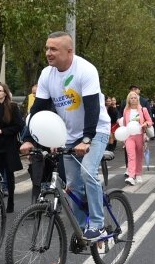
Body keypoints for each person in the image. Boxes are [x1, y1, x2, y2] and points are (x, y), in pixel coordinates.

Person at [20, 31, 111, 242]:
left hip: (96, 131)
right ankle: (81, 229)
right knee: (72, 185)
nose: (48, 53)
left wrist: (86, 139)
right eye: (47, 48)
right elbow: (38, 109)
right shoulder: (47, 74)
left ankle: (97, 225)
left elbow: (92, 109)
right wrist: (28, 138)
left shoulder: (86, 70)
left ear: (69, 51)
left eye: (53, 49)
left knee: (88, 173)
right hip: (69, 135)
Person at [0, 82, 24, 213]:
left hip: (8, 145)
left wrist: (2, 131)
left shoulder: (12, 107)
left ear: (5, 93)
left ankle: (11, 203)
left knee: (9, 173)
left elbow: (19, 125)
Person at [119, 90, 152, 186]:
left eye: (135, 98)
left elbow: (150, 121)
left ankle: (138, 174)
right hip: (129, 136)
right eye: (131, 98)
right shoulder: (126, 111)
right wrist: (124, 138)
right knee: (131, 155)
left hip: (140, 135)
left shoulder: (143, 110)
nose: (133, 99)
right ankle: (131, 176)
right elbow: (125, 124)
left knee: (139, 155)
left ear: (137, 99)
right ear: (128, 100)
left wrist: (145, 124)